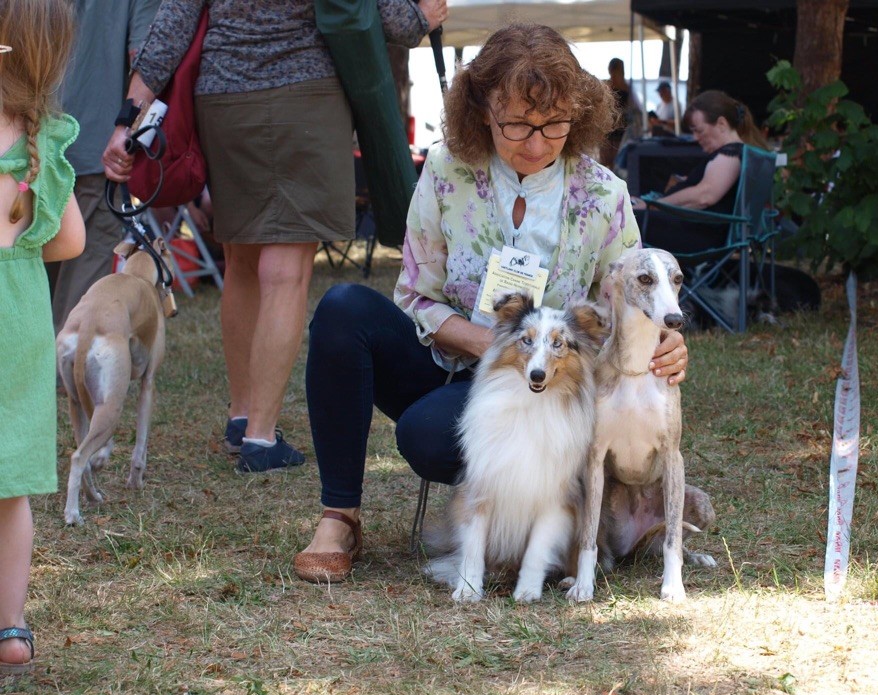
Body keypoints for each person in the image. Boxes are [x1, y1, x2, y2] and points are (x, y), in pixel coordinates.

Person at [293, 23, 690, 584]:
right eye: (517, 125)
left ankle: (530, 532)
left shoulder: (605, 194)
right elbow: (414, 294)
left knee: (428, 436)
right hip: (454, 367)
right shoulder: (444, 170)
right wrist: (492, 346)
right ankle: (339, 518)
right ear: (482, 110)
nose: (535, 142)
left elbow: (635, 301)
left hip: (551, 393)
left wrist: (669, 344)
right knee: (342, 309)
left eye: (554, 124)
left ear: (579, 113)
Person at [103, 0, 447, 473]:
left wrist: (129, 116)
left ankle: (241, 416)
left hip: (224, 99)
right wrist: (420, 19)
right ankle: (261, 439)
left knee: (241, 258)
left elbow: (173, 21)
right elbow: (381, 12)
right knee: (286, 271)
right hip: (307, 93)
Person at [0, 0, 86, 676]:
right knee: (12, 491)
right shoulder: (44, 138)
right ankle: (12, 630)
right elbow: (72, 241)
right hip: (22, 318)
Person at [47, 0, 160, 338]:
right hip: (98, 149)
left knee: (27, 285)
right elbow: (149, 58)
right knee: (75, 316)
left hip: (28, 146)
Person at [633, 89, 768, 254]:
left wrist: (652, 205)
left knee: (624, 220)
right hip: (699, 231)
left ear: (721, 124)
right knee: (626, 214)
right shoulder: (736, 153)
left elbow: (704, 196)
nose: (696, 138)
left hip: (699, 237)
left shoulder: (731, 153)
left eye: (699, 130)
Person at [600, 57, 640, 170]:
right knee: (606, 159)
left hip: (619, 127)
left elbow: (634, 107)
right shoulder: (609, 85)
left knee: (615, 159)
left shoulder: (624, 87)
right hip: (609, 127)